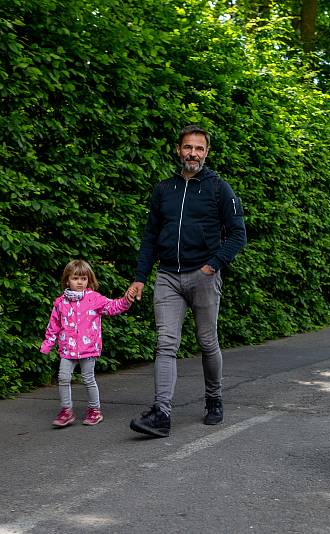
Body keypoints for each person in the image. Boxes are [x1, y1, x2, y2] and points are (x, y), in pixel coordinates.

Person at [127, 125, 247, 438]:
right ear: (178, 149)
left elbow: (238, 235)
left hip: (203, 275)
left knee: (207, 342)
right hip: (167, 276)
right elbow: (150, 236)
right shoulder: (164, 189)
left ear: (206, 153)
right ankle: (161, 414)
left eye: (199, 148)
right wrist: (140, 277)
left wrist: (213, 265)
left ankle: (214, 398)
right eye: (187, 147)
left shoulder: (219, 189)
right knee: (166, 343)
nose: (192, 153)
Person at [41, 259, 135, 427]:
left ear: (89, 280)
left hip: (88, 348)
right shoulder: (60, 303)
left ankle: (94, 410)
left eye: (83, 279)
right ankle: (66, 411)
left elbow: (112, 306)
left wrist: (126, 301)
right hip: (67, 349)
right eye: (75, 278)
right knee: (63, 378)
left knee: (88, 379)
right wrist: (48, 343)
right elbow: (53, 325)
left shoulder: (94, 299)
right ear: (67, 280)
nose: (80, 282)